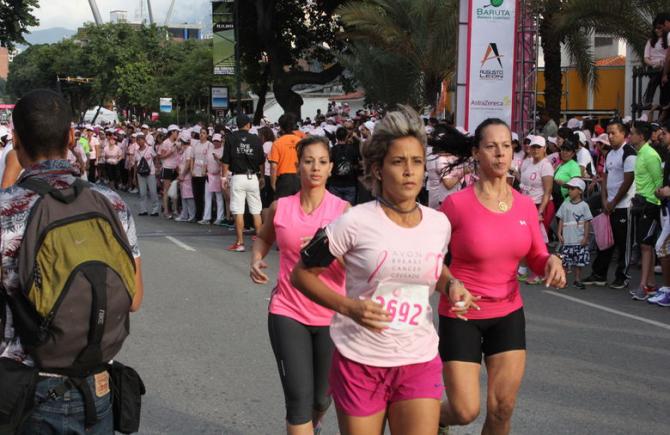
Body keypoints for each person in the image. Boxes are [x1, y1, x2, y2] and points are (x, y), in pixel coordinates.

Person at [291, 106, 478, 435]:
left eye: (416, 162)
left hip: (417, 358)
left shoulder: (438, 224)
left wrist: (452, 286)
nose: (409, 171)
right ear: (377, 169)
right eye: (398, 162)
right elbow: (301, 274)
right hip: (360, 361)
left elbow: (432, 270)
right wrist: (350, 307)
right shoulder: (354, 221)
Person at [0, 89, 144, 434]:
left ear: (15, 140)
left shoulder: (7, 207)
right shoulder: (110, 201)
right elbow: (134, 298)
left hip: (24, 387)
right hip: (98, 386)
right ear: (70, 137)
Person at [438, 118, 565, 435]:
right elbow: (431, 260)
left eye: (506, 146)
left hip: (507, 312)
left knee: (502, 408)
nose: (500, 153)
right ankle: (431, 417)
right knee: (465, 411)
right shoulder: (455, 205)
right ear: (476, 152)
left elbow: (535, 256)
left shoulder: (524, 206)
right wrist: (451, 283)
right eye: (491, 146)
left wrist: (551, 261)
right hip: (461, 314)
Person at [250, 136, 349, 435]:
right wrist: (256, 258)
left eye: (321, 162)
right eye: (308, 161)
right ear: (298, 166)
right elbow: (265, 237)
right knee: (298, 401)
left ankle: (314, 424)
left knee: (321, 398)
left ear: (331, 167)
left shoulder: (344, 211)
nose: (315, 168)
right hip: (287, 311)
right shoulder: (281, 207)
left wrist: (328, 249)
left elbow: (358, 267)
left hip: (332, 315)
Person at [583, 121, 636, 289]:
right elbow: (605, 178)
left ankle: (622, 276)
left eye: (613, 133)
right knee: (605, 240)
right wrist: (605, 200)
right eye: (609, 133)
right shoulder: (610, 154)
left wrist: (614, 202)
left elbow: (628, 180)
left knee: (623, 243)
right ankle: (599, 274)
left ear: (624, 134)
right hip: (610, 205)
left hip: (624, 205)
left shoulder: (629, 153)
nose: (610, 137)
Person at [629, 121, 663, 300]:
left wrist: (656, 202)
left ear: (641, 136)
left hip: (650, 205)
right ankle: (649, 283)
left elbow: (659, 181)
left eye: (632, 133)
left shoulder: (650, 155)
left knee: (645, 246)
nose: (630, 135)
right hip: (641, 204)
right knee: (644, 245)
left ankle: (644, 285)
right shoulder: (641, 153)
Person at [222, 114, 265, 252]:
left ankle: (240, 243)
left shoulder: (230, 138)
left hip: (238, 177)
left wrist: (224, 178)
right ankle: (259, 243)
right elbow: (261, 161)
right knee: (256, 210)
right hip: (252, 177)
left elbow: (225, 161)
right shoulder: (256, 139)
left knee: (238, 210)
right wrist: (262, 177)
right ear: (248, 124)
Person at [556, 178, 593, 289]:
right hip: (567, 239)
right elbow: (561, 219)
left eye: (572, 189)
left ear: (580, 191)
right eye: (569, 189)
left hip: (579, 239)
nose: (570, 191)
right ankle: (564, 280)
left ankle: (577, 279)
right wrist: (559, 233)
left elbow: (587, 222)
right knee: (565, 261)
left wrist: (586, 237)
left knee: (579, 261)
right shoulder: (565, 204)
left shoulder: (584, 206)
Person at [649, 121, 670, 305]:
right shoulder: (667, 153)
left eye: (663, 132)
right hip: (666, 208)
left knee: (661, 247)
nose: (660, 135)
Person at [425, 125, 469, 209]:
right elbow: (448, 184)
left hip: (438, 197)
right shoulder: (441, 159)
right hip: (443, 200)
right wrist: (464, 171)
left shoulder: (434, 154)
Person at [270, 113, 302, 198]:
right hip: (299, 178)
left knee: (283, 209)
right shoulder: (301, 142)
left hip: (283, 180)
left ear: (281, 127)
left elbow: (273, 166)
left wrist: (273, 184)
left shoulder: (277, 143)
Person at [328, 126, 360, 204]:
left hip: (335, 184)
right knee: (348, 212)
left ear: (336, 137)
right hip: (350, 183)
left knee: (335, 210)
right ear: (346, 137)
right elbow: (356, 165)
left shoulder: (332, 150)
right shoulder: (352, 149)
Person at [201, 133, 225, 225]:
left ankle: (220, 217)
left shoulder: (223, 150)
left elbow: (223, 164)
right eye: (214, 141)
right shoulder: (210, 149)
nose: (215, 143)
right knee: (207, 196)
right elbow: (205, 162)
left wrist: (217, 159)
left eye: (217, 141)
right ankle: (206, 217)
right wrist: (204, 171)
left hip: (218, 176)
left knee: (219, 197)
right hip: (209, 175)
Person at [135, 132, 160, 216]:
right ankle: (143, 210)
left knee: (153, 192)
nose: (139, 142)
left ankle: (155, 210)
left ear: (144, 140)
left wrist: (156, 167)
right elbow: (135, 164)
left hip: (151, 173)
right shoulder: (136, 151)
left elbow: (156, 157)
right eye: (137, 140)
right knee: (142, 192)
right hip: (140, 174)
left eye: (141, 140)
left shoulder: (149, 149)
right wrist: (134, 176)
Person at [552, 139, 582, 210]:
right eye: (563, 149)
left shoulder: (574, 166)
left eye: (567, 150)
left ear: (573, 153)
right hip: (557, 200)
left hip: (567, 202)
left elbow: (577, 186)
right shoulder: (560, 164)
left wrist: (564, 184)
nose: (564, 152)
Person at [158, 125, 181, 218]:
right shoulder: (165, 143)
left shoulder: (177, 143)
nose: (178, 134)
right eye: (176, 132)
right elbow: (160, 156)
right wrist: (170, 152)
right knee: (166, 190)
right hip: (167, 167)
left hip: (175, 168)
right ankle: (166, 211)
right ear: (172, 132)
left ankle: (175, 210)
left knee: (174, 189)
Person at [176, 130, 196, 222]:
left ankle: (191, 215)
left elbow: (188, 163)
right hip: (183, 176)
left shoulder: (189, 150)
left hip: (186, 177)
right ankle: (185, 214)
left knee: (189, 197)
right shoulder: (184, 150)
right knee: (184, 196)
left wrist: (183, 174)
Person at [191, 127, 210, 221]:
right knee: (196, 195)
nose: (201, 134)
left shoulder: (209, 145)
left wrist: (205, 170)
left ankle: (204, 215)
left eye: (204, 133)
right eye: (200, 133)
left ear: (207, 135)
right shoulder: (196, 144)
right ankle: (197, 215)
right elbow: (192, 158)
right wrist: (191, 170)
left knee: (203, 195)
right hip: (195, 172)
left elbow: (208, 159)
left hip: (204, 173)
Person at [258, 126, 276, 210]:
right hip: (272, 173)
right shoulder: (273, 143)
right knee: (270, 197)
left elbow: (261, 158)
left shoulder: (266, 144)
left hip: (266, 173)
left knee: (264, 198)